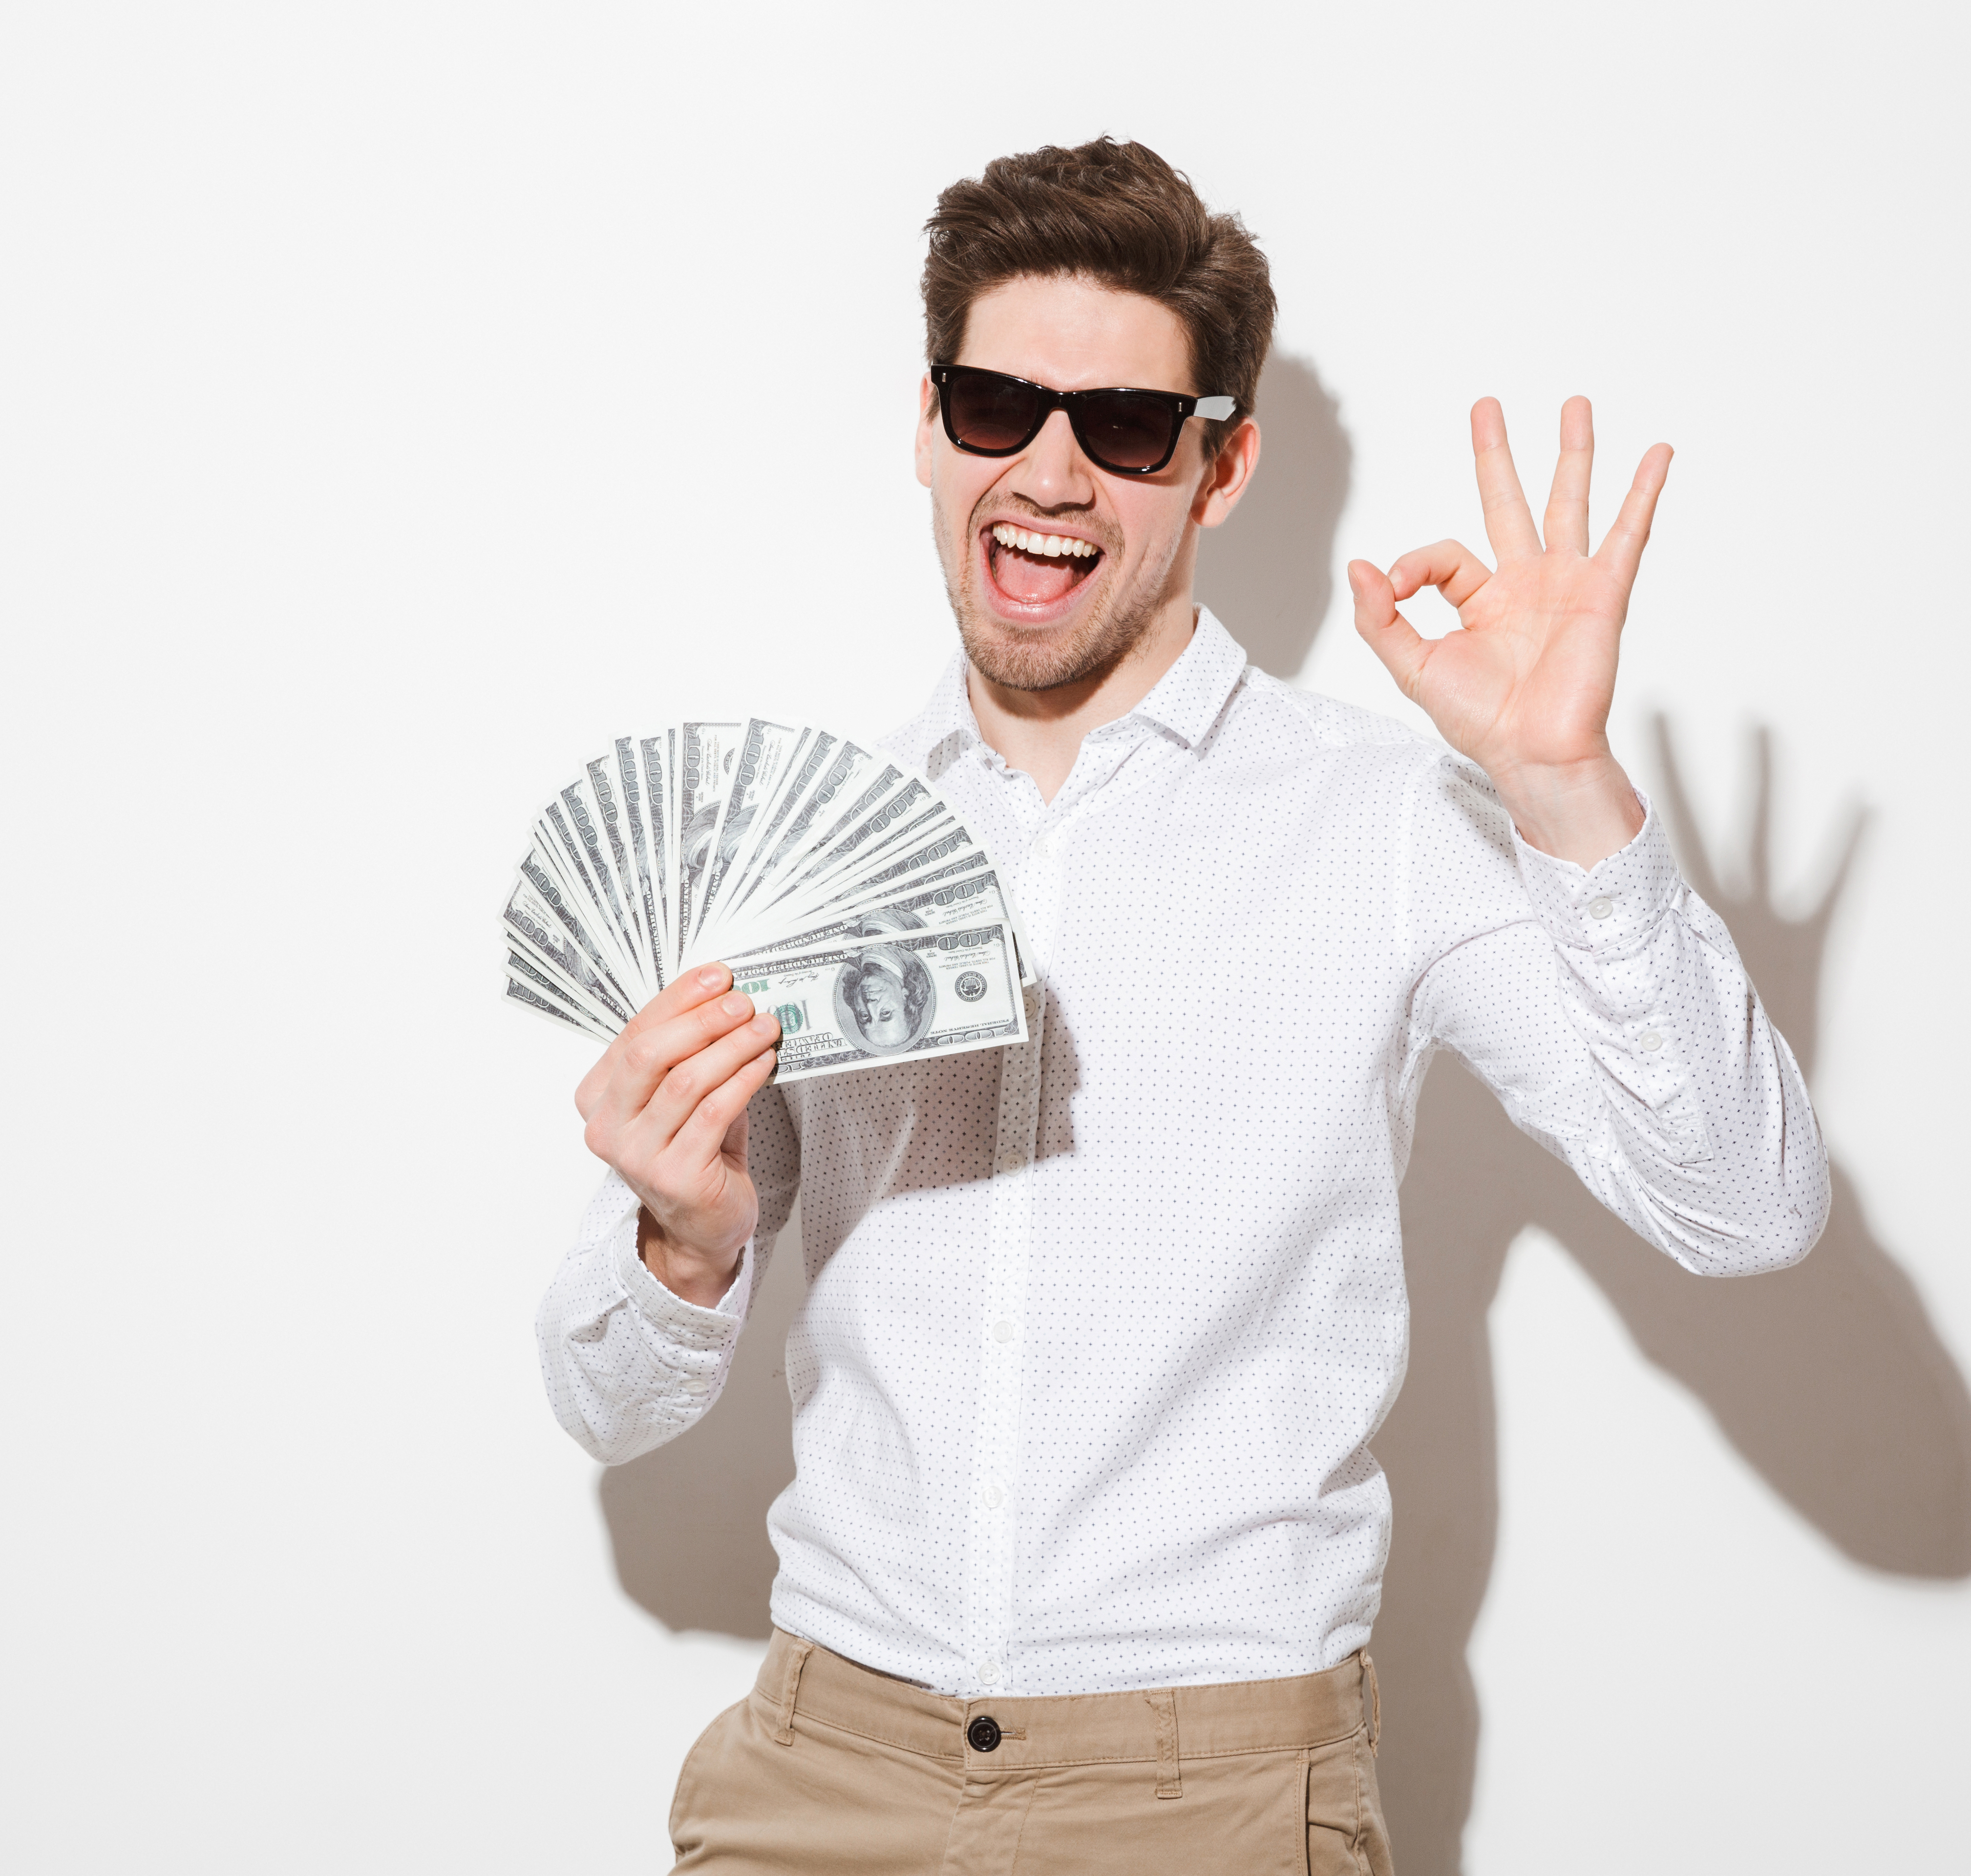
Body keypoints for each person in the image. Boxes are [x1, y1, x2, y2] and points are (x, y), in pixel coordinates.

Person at [540, 137, 1828, 1875]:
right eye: (998, 405)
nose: (1051, 471)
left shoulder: (1384, 824)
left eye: (1126, 430)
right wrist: (679, 1247)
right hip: (820, 1776)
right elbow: (611, 1406)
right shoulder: (808, 853)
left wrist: (1571, 792)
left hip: (1208, 1798)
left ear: (1218, 472)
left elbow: (1744, 1213)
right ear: (930, 429)